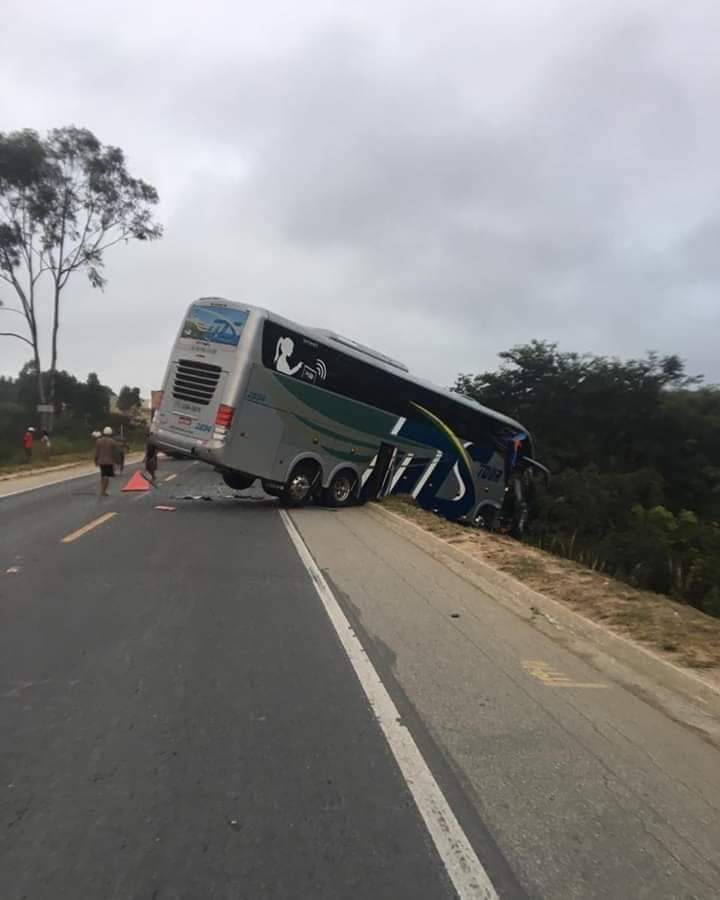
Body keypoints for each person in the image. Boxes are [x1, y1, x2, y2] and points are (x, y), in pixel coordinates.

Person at [95, 426, 117, 496]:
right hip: (109, 461)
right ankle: (103, 491)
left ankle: (102, 489)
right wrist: (114, 463)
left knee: (102, 475)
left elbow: (97, 452)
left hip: (101, 461)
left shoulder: (98, 441)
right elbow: (114, 453)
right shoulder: (113, 442)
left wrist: (95, 460)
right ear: (110, 433)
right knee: (106, 476)